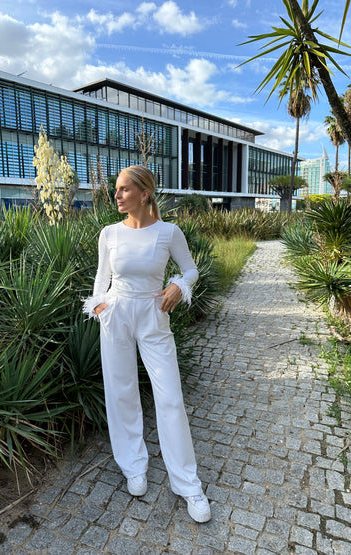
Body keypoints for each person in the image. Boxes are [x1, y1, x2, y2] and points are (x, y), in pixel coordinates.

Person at [83, 165, 211, 523]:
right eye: (116, 189)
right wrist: (102, 306)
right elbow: (100, 280)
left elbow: (190, 269)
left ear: (144, 193)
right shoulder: (108, 233)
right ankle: (133, 464)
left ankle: (188, 484)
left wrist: (178, 286)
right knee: (121, 391)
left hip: (154, 316)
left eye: (124, 189)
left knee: (170, 396)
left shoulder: (169, 232)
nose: (117, 195)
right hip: (117, 314)